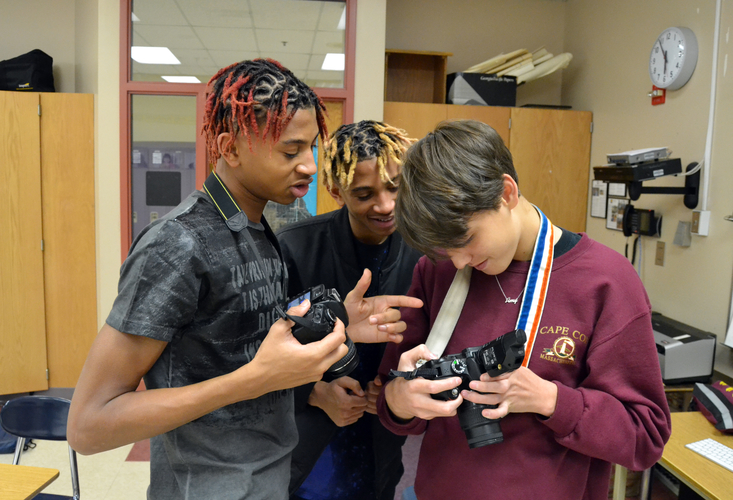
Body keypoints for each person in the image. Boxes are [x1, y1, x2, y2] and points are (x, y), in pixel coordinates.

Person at [66, 59, 420, 500]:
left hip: (270, 478)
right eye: (291, 152)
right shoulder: (178, 243)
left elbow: (246, 344)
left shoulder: (256, 230)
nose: (310, 167)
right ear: (230, 148)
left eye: (311, 148)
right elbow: (89, 425)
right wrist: (255, 379)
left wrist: (339, 318)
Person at [376, 120, 672, 500]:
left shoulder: (607, 282)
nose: (461, 261)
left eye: (466, 239)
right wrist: (400, 399)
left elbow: (644, 437)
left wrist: (551, 400)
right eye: (445, 249)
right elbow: (391, 400)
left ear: (506, 193)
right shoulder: (438, 270)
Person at [276, 120, 423, 500]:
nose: (386, 205)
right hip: (311, 443)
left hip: (385, 438)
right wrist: (314, 392)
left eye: (394, 187)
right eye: (364, 194)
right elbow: (259, 356)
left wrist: (398, 393)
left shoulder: (428, 252)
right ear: (335, 191)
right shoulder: (295, 249)